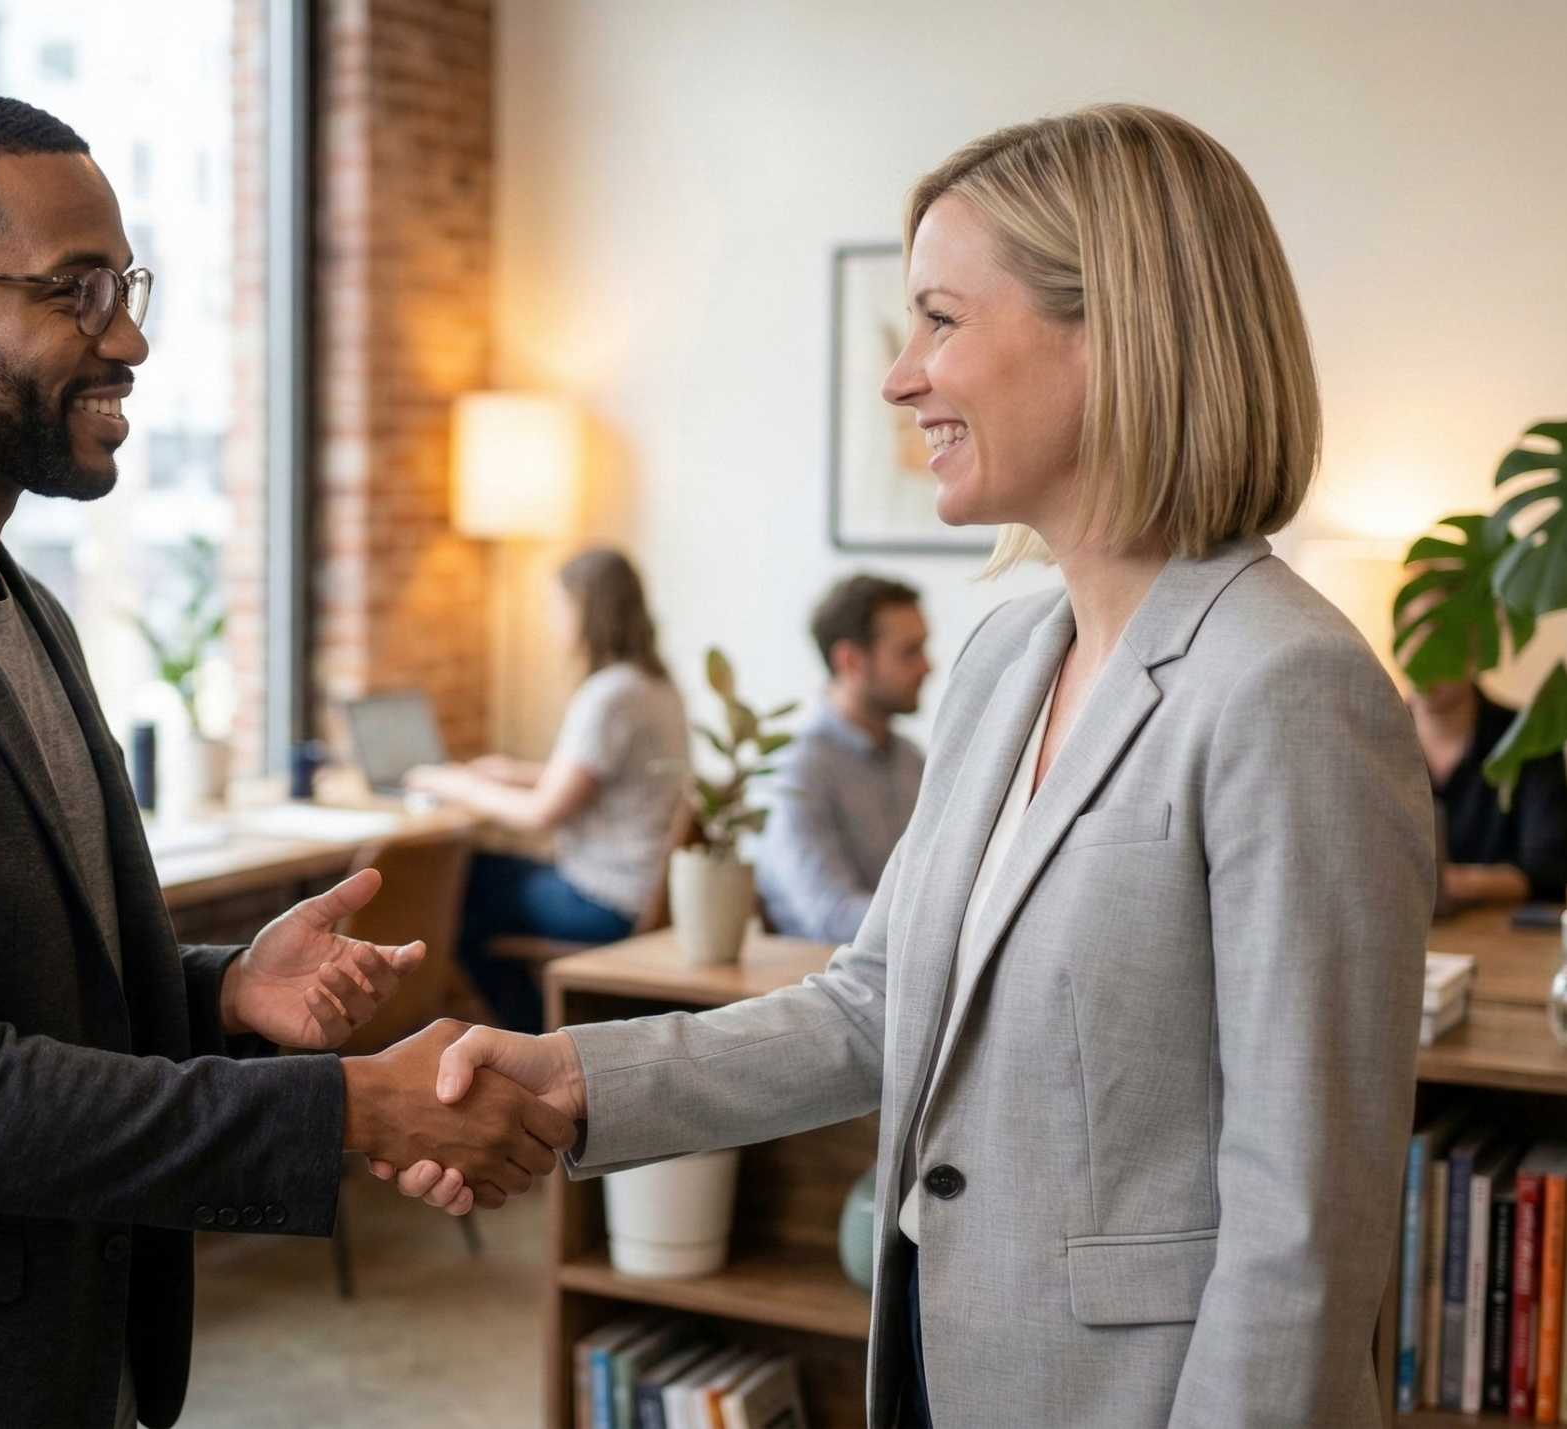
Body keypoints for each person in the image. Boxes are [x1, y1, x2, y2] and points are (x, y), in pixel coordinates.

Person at [384, 105, 1433, 1428]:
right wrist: (578, 1079)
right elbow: (879, 1006)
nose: (901, 376)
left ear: (1115, 330)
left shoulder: (1290, 689)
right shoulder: (1005, 660)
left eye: (940, 319)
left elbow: (1307, 1225)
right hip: (941, 1362)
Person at [0, 89, 573, 1429]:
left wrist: (226, 995)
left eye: (125, 284)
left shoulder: (25, 608)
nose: (127, 336)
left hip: (73, 1357)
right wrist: (352, 1110)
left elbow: (22, 993)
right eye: (74, 290)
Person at [404, 549, 688, 1033]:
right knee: (477, 874)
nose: (553, 622)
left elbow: (543, 813)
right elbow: (599, 780)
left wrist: (462, 786)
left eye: (558, 608)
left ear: (584, 610)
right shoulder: (655, 685)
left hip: (606, 901)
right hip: (646, 891)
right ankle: (528, 1027)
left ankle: (532, 1034)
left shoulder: (608, 695)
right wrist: (512, 771)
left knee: (453, 888)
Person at [757, 575, 932, 941]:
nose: (927, 666)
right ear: (851, 660)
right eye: (909, 652)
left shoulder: (912, 761)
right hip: (824, 978)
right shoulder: (798, 769)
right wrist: (947, 925)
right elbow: (831, 917)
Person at [1411, 672, 1567, 903]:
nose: (1416, 658)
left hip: (1505, 933)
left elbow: (1554, 871)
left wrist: (1445, 883)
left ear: (1475, 647)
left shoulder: (1531, 738)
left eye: (1436, 643)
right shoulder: (1370, 738)